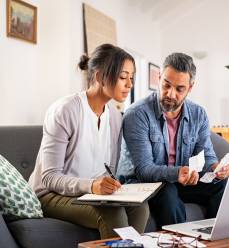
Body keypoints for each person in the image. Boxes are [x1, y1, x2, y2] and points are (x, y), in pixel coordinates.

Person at [28, 44, 149, 238]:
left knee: (140, 207)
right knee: (113, 214)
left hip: (90, 194)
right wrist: (92, 185)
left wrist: (111, 186)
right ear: (100, 77)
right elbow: (49, 178)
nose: (129, 84)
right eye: (123, 77)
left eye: (131, 78)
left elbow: (108, 170)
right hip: (51, 195)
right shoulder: (65, 110)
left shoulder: (116, 117)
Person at [117, 52, 229, 228]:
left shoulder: (198, 114)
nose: (170, 94)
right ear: (159, 78)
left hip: (180, 181)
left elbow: (206, 155)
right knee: (168, 192)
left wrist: (216, 168)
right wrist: (178, 173)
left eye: (179, 89)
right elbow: (144, 169)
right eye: (166, 85)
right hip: (143, 183)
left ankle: (213, 240)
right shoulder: (137, 114)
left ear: (190, 88)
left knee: (222, 184)